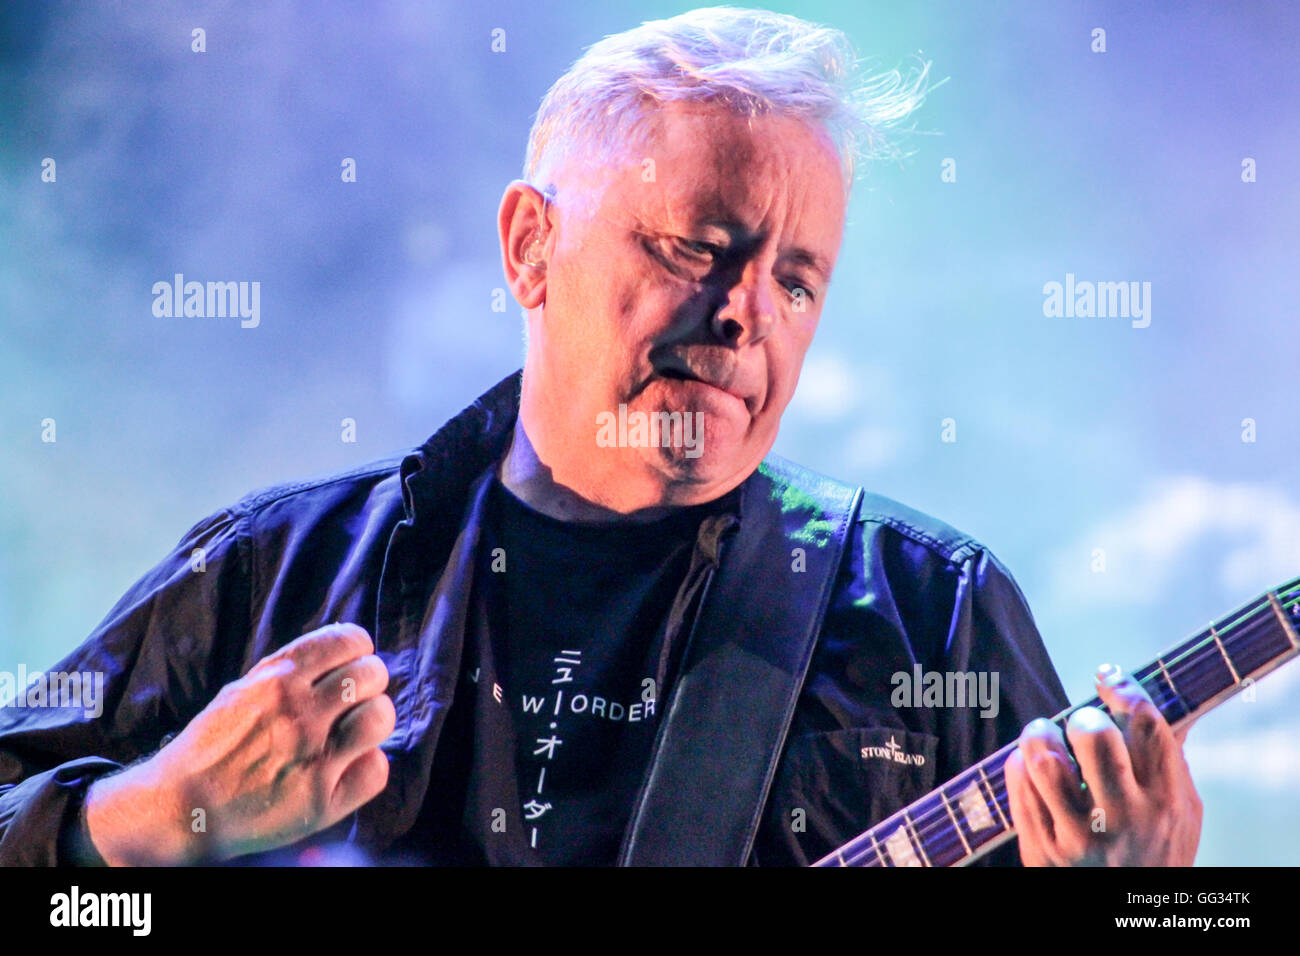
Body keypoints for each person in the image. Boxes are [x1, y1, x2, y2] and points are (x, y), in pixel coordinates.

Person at [0, 6, 1201, 867]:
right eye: (698, 246)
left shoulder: (933, 608)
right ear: (530, 247)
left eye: (795, 280)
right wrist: (150, 820)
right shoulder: (278, 571)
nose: (744, 313)